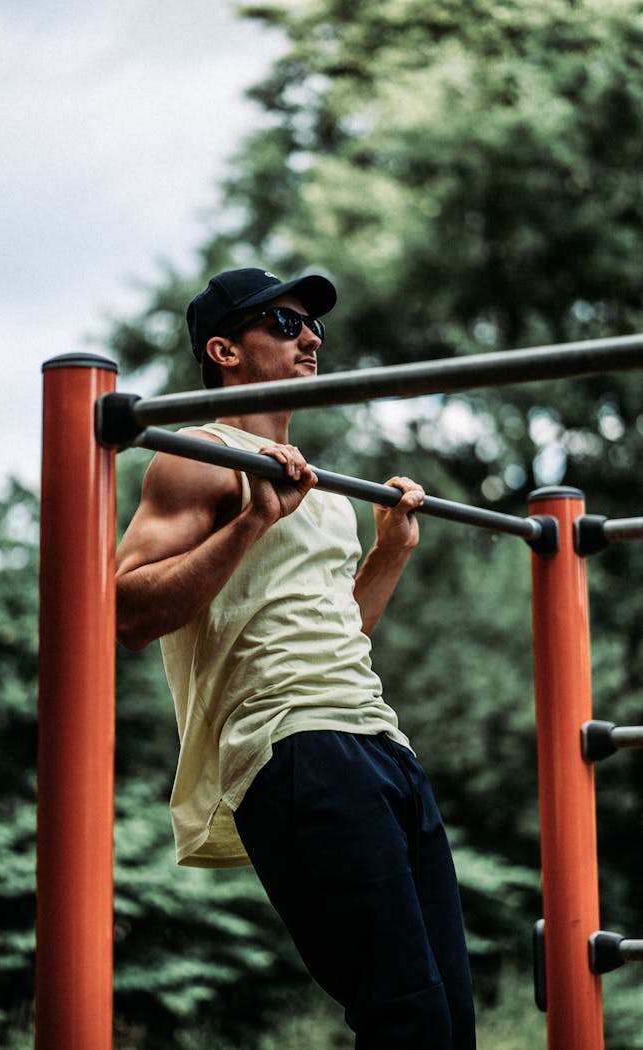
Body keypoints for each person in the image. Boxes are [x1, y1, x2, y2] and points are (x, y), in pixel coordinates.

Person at [115, 267, 476, 1048]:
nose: (309, 337)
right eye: (283, 324)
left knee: (450, 1019)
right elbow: (127, 611)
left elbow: (336, 630)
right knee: (405, 1015)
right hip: (293, 747)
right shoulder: (200, 453)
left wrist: (390, 553)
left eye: (312, 326)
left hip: (380, 741)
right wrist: (251, 523)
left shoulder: (328, 489)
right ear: (224, 349)